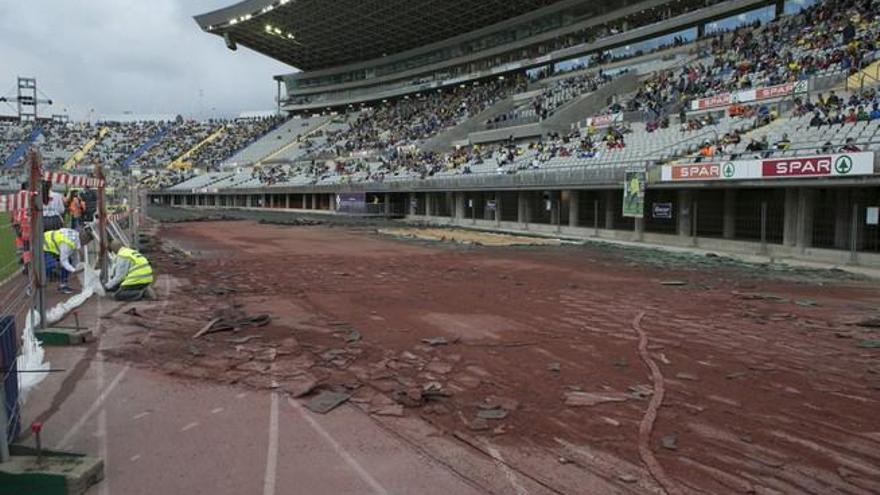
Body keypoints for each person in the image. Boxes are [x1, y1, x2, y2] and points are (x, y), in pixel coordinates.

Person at [43, 227, 92, 294]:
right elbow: (63, 261)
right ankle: (33, 286)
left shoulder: (75, 236)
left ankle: (63, 285)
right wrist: (73, 270)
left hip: (53, 246)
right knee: (48, 267)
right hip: (44, 245)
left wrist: (76, 268)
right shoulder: (67, 244)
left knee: (68, 262)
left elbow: (74, 256)